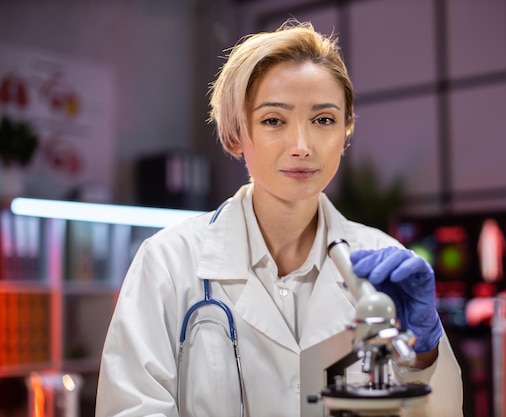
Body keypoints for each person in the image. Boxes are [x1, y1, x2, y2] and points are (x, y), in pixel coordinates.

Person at [95, 20, 463, 416]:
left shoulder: (382, 259)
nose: (302, 146)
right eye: (274, 120)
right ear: (237, 132)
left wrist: (423, 356)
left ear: (347, 130)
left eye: (323, 120)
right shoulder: (168, 262)